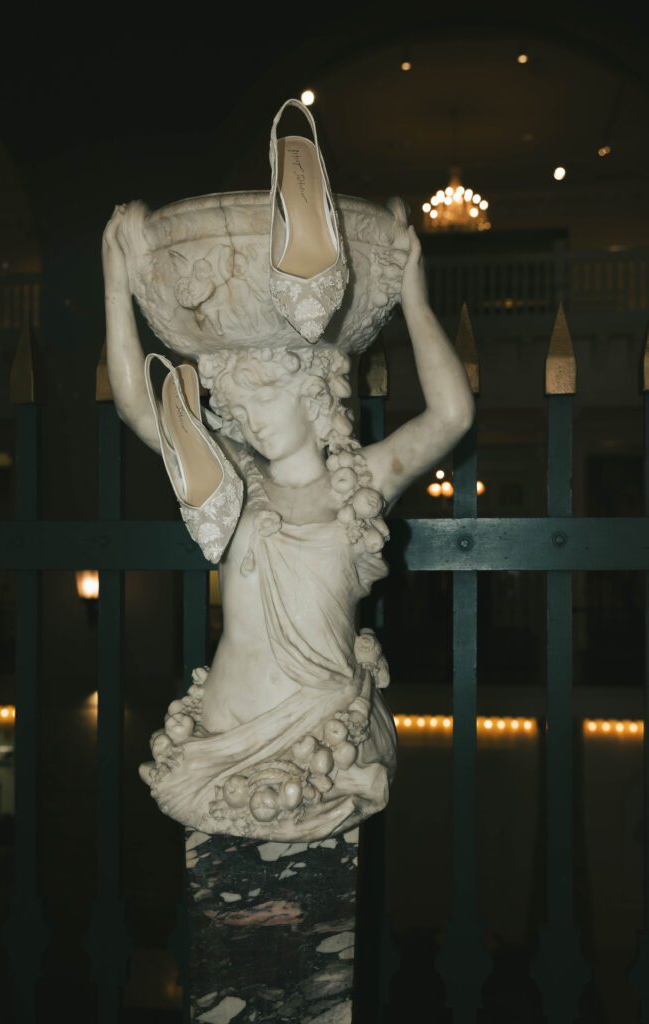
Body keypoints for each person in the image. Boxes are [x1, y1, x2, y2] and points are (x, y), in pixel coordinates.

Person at [102, 198, 475, 841]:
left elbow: (451, 416)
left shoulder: (360, 482)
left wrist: (413, 295)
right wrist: (116, 287)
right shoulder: (235, 477)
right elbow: (138, 407)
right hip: (225, 732)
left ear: (311, 388)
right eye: (239, 408)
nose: (250, 421)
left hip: (323, 735)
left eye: (263, 398)